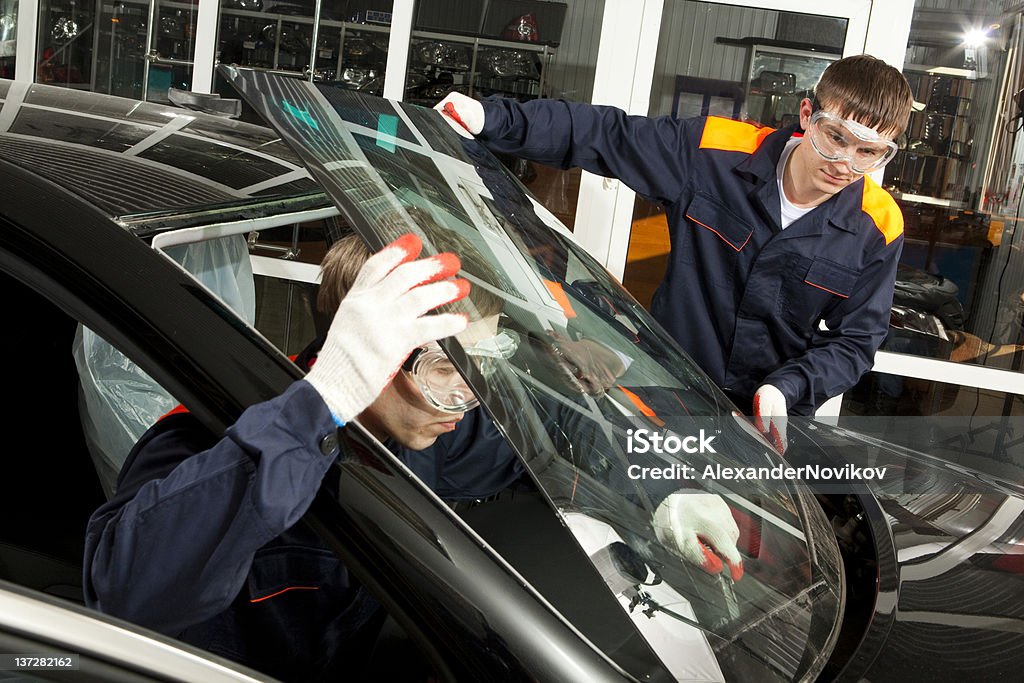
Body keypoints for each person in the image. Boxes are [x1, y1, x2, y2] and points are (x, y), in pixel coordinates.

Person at [85, 232, 741, 681]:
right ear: (370, 346)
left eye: (482, 365)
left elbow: (561, 423)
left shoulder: (420, 427)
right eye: (443, 367)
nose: (466, 397)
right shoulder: (206, 437)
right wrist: (323, 403)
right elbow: (128, 591)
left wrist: (664, 487)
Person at [437, 54, 914, 453]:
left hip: (763, 427)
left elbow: (856, 342)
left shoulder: (879, 225)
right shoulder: (714, 152)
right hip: (665, 393)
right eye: (836, 137)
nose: (845, 164)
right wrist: (493, 119)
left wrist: (787, 389)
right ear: (808, 115)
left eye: (869, 153)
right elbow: (608, 135)